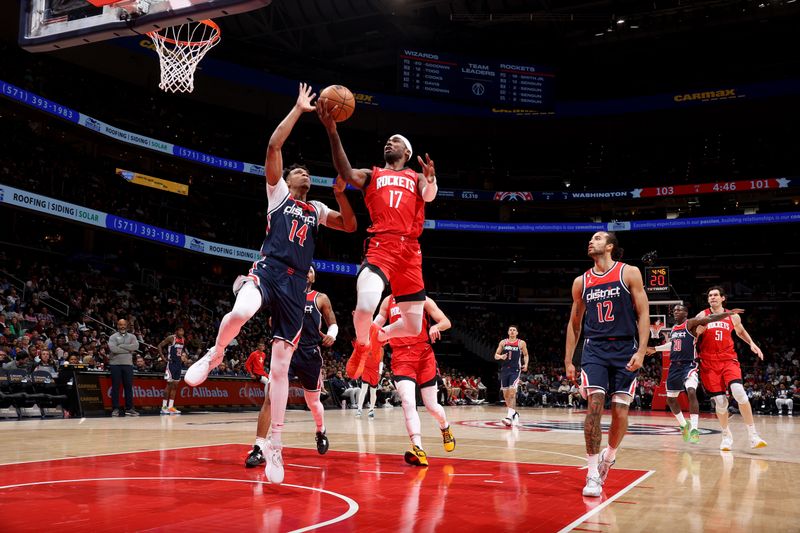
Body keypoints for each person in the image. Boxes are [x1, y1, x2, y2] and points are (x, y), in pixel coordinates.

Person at [183, 83, 356, 484]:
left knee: (280, 367)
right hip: (269, 267)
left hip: (296, 286)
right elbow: (273, 147)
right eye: (301, 170)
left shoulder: (316, 207)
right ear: (289, 178)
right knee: (241, 310)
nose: (305, 173)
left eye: (307, 171)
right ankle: (215, 353)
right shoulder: (277, 193)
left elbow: (349, 225)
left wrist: (341, 195)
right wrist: (298, 109)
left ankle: (274, 445)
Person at [317, 105, 438, 379]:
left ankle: (377, 337)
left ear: (406, 152)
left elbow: (429, 195)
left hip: (410, 252)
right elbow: (347, 173)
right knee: (363, 308)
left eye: (394, 141)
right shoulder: (372, 175)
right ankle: (361, 346)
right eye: (387, 141)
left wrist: (430, 180)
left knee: (411, 325)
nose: (388, 143)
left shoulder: (417, 177)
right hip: (381, 246)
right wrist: (333, 131)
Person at [564, 232, 650, 497]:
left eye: (598, 238)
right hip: (595, 349)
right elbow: (574, 323)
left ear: (610, 246)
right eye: (591, 238)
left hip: (625, 347)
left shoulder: (629, 272)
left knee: (620, 413)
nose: (591, 241)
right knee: (595, 407)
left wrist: (643, 351)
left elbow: (643, 312)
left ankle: (609, 457)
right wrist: (569, 359)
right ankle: (591, 474)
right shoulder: (582, 281)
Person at [245, 267, 337, 467]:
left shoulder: (319, 298)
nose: (306, 272)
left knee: (312, 402)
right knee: (270, 396)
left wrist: (333, 333)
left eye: (310, 270)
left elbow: (332, 321)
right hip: (286, 350)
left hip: (309, 354)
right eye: (304, 269)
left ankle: (320, 430)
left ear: (313, 277)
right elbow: (271, 321)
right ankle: (259, 447)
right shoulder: (283, 294)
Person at [372, 294, 455, 466]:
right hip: (401, 358)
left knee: (432, 407)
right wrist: (366, 327)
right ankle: (418, 447)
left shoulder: (423, 299)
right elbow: (377, 324)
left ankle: (445, 427)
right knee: (408, 402)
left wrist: (436, 327)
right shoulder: (388, 301)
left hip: (424, 356)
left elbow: (446, 321)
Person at [648, 304, 744, 444]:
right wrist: (655, 349)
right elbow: (673, 345)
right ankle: (683, 425)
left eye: (679, 310)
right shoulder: (674, 329)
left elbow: (710, 318)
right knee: (670, 400)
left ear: (686, 313)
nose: (676, 312)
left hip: (689, 365)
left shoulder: (691, 323)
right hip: (674, 367)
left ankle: (694, 428)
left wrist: (727, 314)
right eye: (674, 310)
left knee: (691, 391)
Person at [695, 286, 767, 450]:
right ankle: (726, 434)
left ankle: (753, 435)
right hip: (708, 363)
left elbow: (741, 332)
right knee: (720, 403)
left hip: (728, 360)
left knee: (739, 392)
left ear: (722, 298)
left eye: (715, 295)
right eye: (710, 296)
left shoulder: (732, 316)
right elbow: (694, 334)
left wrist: (752, 344)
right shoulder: (702, 315)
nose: (712, 297)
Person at [494, 326, 529, 426]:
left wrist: (525, 364)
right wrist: (501, 356)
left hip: (515, 370)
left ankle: (509, 416)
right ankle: (514, 413)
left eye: (514, 330)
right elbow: (496, 355)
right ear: (508, 332)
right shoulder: (503, 342)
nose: (512, 331)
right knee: (506, 395)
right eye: (510, 330)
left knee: (512, 392)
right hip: (505, 370)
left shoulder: (521, 343)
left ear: (517, 332)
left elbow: (526, 355)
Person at [243, 342, 270, 468]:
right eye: (261, 346)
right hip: (257, 375)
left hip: (263, 373)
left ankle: (269, 399)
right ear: (257, 346)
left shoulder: (263, 355)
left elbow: (262, 366)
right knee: (267, 383)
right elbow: (247, 364)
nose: (262, 347)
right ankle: (267, 400)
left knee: (270, 381)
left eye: (263, 346)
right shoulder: (254, 354)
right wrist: (251, 374)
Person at [108, 319, 139, 417]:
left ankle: (129, 408)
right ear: (117, 325)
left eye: (124, 324)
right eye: (120, 325)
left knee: (128, 387)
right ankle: (115, 409)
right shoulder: (113, 337)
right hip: (115, 365)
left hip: (128, 365)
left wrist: (121, 346)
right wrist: (128, 350)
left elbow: (135, 347)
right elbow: (113, 349)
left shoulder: (132, 336)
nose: (122, 326)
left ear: (127, 325)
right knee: (116, 387)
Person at [157, 327, 185, 415]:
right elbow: (159, 346)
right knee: (169, 385)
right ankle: (164, 407)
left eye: (183, 330)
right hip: (171, 364)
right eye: (180, 330)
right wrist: (162, 357)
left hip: (178, 365)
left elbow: (179, 352)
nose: (182, 332)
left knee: (175, 386)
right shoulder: (171, 338)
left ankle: (170, 407)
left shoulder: (183, 339)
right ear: (176, 331)